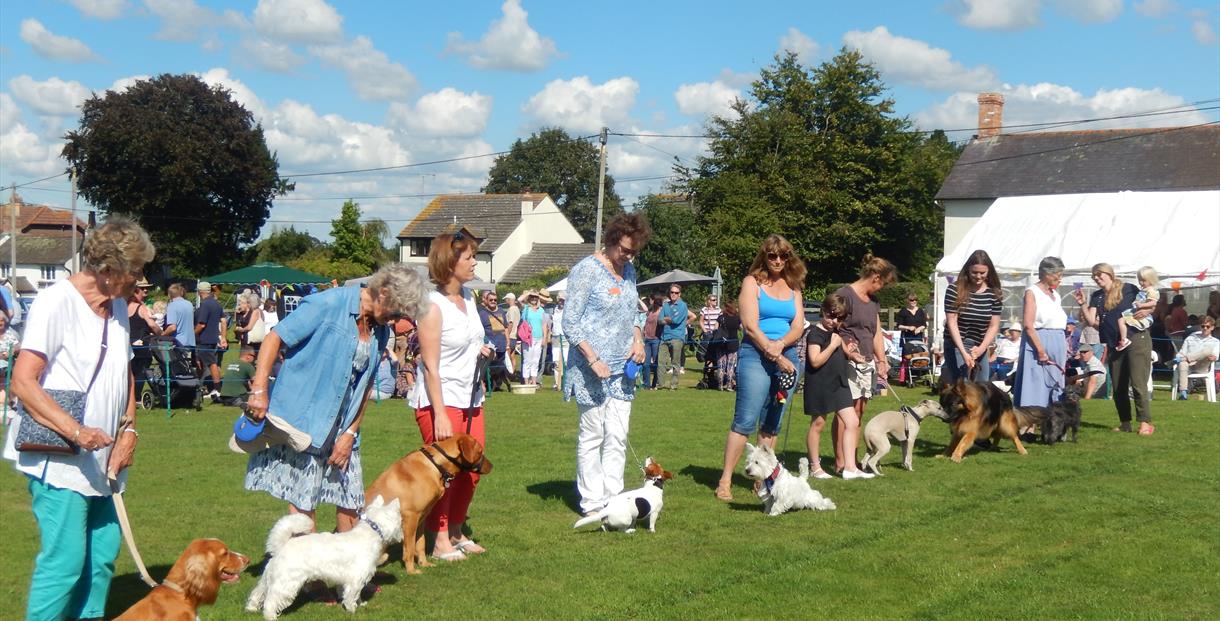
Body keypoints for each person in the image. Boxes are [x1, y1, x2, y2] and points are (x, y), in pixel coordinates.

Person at [2, 217, 154, 621]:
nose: (141, 280)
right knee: (65, 563)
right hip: (60, 457)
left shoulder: (117, 305)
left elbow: (124, 371)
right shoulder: (57, 302)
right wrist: (76, 431)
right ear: (107, 271)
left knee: (102, 559)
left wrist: (130, 429)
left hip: (103, 456)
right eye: (135, 271)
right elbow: (23, 381)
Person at [244, 263, 430, 536]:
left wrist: (351, 432)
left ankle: (350, 572)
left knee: (351, 499)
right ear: (384, 293)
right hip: (305, 418)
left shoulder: (380, 329)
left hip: (344, 425)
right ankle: (309, 573)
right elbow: (274, 338)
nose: (395, 320)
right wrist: (259, 390)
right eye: (397, 311)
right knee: (303, 498)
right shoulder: (328, 303)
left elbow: (366, 385)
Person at [563, 213, 651, 516]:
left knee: (617, 434)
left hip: (622, 369)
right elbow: (570, 323)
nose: (627, 256)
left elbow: (634, 314)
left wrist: (637, 340)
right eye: (624, 250)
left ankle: (613, 498)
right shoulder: (586, 270)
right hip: (591, 368)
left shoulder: (629, 272)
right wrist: (594, 358)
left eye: (633, 252)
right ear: (611, 241)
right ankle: (591, 502)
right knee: (593, 435)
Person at [413, 232, 493, 560]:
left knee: (473, 469)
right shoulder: (432, 306)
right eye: (469, 257)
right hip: (441, 401)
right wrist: (441, 412)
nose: (475, 262)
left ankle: (458, 531)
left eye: (475, 256)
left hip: (471, 397)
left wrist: (482, 352)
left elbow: (470, 342)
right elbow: (430, 366)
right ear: (450, 262)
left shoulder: (471, 299)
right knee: (445, 473)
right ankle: (440, 539)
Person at [715, 235, 807, 500]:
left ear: (789, 258)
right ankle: (725, 481)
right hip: (756, 354)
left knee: (772, 422)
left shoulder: (794, 287)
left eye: (783, 256)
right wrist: (773, 351)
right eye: (772, 255)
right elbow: (750, 325)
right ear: (764, 257)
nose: (777, 260)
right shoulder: (752, 283)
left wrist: (781, 347)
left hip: (787, 355)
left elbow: (798, 326)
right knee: (744, 420)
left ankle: (763, 480)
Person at [834, 254, 896, 474]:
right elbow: (833, 327)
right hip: (847, 361)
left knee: (859, 410)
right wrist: (847, 350)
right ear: (876, 277)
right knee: (845, 412)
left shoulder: (874, 302)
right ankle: (841, 461)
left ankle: (853, 459)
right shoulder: (845, 295)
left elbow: (876, 332)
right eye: (884, 284)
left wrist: (882, 360)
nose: (882, 289)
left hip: (867, 361)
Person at [1075, 263, 1154, 435]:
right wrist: (1082, 303)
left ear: (1109, 274)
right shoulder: (1097, 296)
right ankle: (1125, 422)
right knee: (1118, 385)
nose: (1097, 278)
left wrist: (1148, 311)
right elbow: (1090, 320)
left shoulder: (1128, 289)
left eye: (1100, 274)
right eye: (1094, 276)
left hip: (1136, 339)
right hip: (1114, 344)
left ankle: (1145, 422)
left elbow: (1150, 298)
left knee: (1138, 383)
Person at [803, 293, 869, 480]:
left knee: (852, 422)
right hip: (820, 384)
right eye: (831, 316)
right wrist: (832, 346)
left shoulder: (835, 333)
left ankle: (850, 467)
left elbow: (842, 348)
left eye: (839, 318)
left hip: (839, 383)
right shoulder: (815, 334)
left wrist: (853, 355)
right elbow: (815, 361)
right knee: (818, 424)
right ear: (823, 312)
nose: (834, 321)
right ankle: (815, 467)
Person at [1013, 257, 1068, 413]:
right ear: (1047, 274)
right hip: (1039, 340)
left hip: (1057, 339)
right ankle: (1028, 425)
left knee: (1055, 382)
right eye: (1058, 274)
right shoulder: (1032, 292)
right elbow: (1029, 325)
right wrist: (1041, 350)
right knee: (1035, 382)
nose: (1060, 278)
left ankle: (1053, 423)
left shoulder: (1055, 295)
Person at [943, 250, 1003, 383]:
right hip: (957, 343)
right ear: (967, 271)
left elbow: (994, 325)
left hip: (980, 344)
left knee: (982, 386)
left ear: (989, 272)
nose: (978, 276)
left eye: (982, 273)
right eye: (974, 272)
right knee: (962, 386)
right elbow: (952, 322)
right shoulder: (954, 290)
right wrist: (964, 353)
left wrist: (982, 348)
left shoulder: (994, 294)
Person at [126, 279, 161, 398]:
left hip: (128, 344)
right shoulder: (141, 308)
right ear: (135, 290)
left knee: (130, 372)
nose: (146, 290)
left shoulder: (124, 306)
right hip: (142, 345)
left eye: (147, 287)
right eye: (142, 288)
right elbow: (152, 325)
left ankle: (128, 397)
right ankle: (135, 397)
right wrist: (161, 333)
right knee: (142, 370)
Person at [658, 284, 695, 390]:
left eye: (676, 293)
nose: (673, 294)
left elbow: (677, 320)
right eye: (672, 292)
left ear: (680, 294)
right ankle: (660, 385)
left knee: (675, 362)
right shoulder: (665, 305)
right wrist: (668, 319)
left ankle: (673, 385)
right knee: (661, 362)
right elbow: (660, 320)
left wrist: (669, 319)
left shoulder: (683, 306)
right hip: (665, 336)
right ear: (669, 293)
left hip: (677, 337)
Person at [1116, 266, 1160, 352]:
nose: (1141, 282)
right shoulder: (1143, 290)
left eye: (1143, 280)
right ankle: (1124, 339)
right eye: (1140, 280)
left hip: (1141, 312)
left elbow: (1153, 303)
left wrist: (1141, 306)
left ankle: (1125, 339)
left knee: (1122, 320)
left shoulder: (1151, 291)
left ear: (1151, 279)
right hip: (1136, 310)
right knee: (1121, 320)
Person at [194, 281, 226, 398]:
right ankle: (199, 386)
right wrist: (223, 337)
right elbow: (223, 320)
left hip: (204, 339)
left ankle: (217, 389)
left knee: (211, 363)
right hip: (213, 338)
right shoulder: (216, 303)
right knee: (204, 362)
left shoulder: (205, 304)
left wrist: (193, 334)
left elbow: (201, 324)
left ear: (199, 292)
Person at [1174, 316, 1218, 400]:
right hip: (1189, 365)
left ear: (1212, 328)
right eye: (1203, 326)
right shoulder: (1191, 338)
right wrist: (1180, 357)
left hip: (1202, 366)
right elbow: (1181, 353)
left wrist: (1213, 357)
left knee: (1207, 350)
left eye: (1207, 326)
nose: (1205, 328)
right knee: (1182, 364)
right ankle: (1183, 393)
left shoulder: (1215, 342)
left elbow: (1215, 356)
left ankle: (1184, 360)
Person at [477, 290, 511, 392]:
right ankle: (486, 385)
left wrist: (508, 341)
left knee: (500, 367)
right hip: (490, 345)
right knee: (488, 367)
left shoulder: (501, 311)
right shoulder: (482, 313)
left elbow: (505, 328)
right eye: (491, 300)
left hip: (501, 344)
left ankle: (498, 385)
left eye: (495, 300)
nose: (493, 301)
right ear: (486, 301)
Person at [519, 290, 550, 386]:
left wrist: (544, 338)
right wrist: (529, 293)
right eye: (532, 297)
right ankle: (526, 381)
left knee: (536, 360)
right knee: (527, 360)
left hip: (539, 338)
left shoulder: (541, 310)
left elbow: (544, 325)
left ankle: (533, 381)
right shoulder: (526, 308)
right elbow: (519, 300)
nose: (533, 299)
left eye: (535, 297)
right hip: (528, 338)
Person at [716, 300, 741, 392]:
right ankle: (729, 385)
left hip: (721, 343)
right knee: (730, 366)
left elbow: (715, 329)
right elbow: (741, 328)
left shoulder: (721, 318)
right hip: (733, 343)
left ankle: (720, 385)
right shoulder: (737, 318)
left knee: (721, 365)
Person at [163, 283, 195, 352]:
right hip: (190, 341)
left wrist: (162, 335)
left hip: (178, 342)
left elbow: (172, 327)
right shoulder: (189, 304)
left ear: (169, 294)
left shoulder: (172, 305)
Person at [641, 294, 664, 390]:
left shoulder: (661, 313)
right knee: (646, 364)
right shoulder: (649, 312)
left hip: (656, 339)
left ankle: (655, 383)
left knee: (656, 363)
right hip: (647, 339)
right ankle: (646, 384)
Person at [0, 313, 21, 410]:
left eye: (2, 321)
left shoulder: (9, 333)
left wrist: (12, 351)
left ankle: (8, 400)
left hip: (7, 362)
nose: (0, 323)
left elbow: (18, 346)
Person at [551, 292, 568, 391]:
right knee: (556, 361)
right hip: (556, 337)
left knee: (565, 361)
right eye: (560, 299)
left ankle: (565, 382)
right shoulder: (555, 310)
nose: (561, 302)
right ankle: (557, 383)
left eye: (563, 300)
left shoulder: (568, 311)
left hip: (565, 338)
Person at [503, 291, 520, 377]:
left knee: (507, 355)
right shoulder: (517, 309)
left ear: (509, 300)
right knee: (512, 355)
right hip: (515, 335)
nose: (505, 301)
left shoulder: (512, 309)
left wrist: (506, 335)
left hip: (510, 336)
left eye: (506, 299)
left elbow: (511, 323)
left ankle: (509, 373)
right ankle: (513, 372)